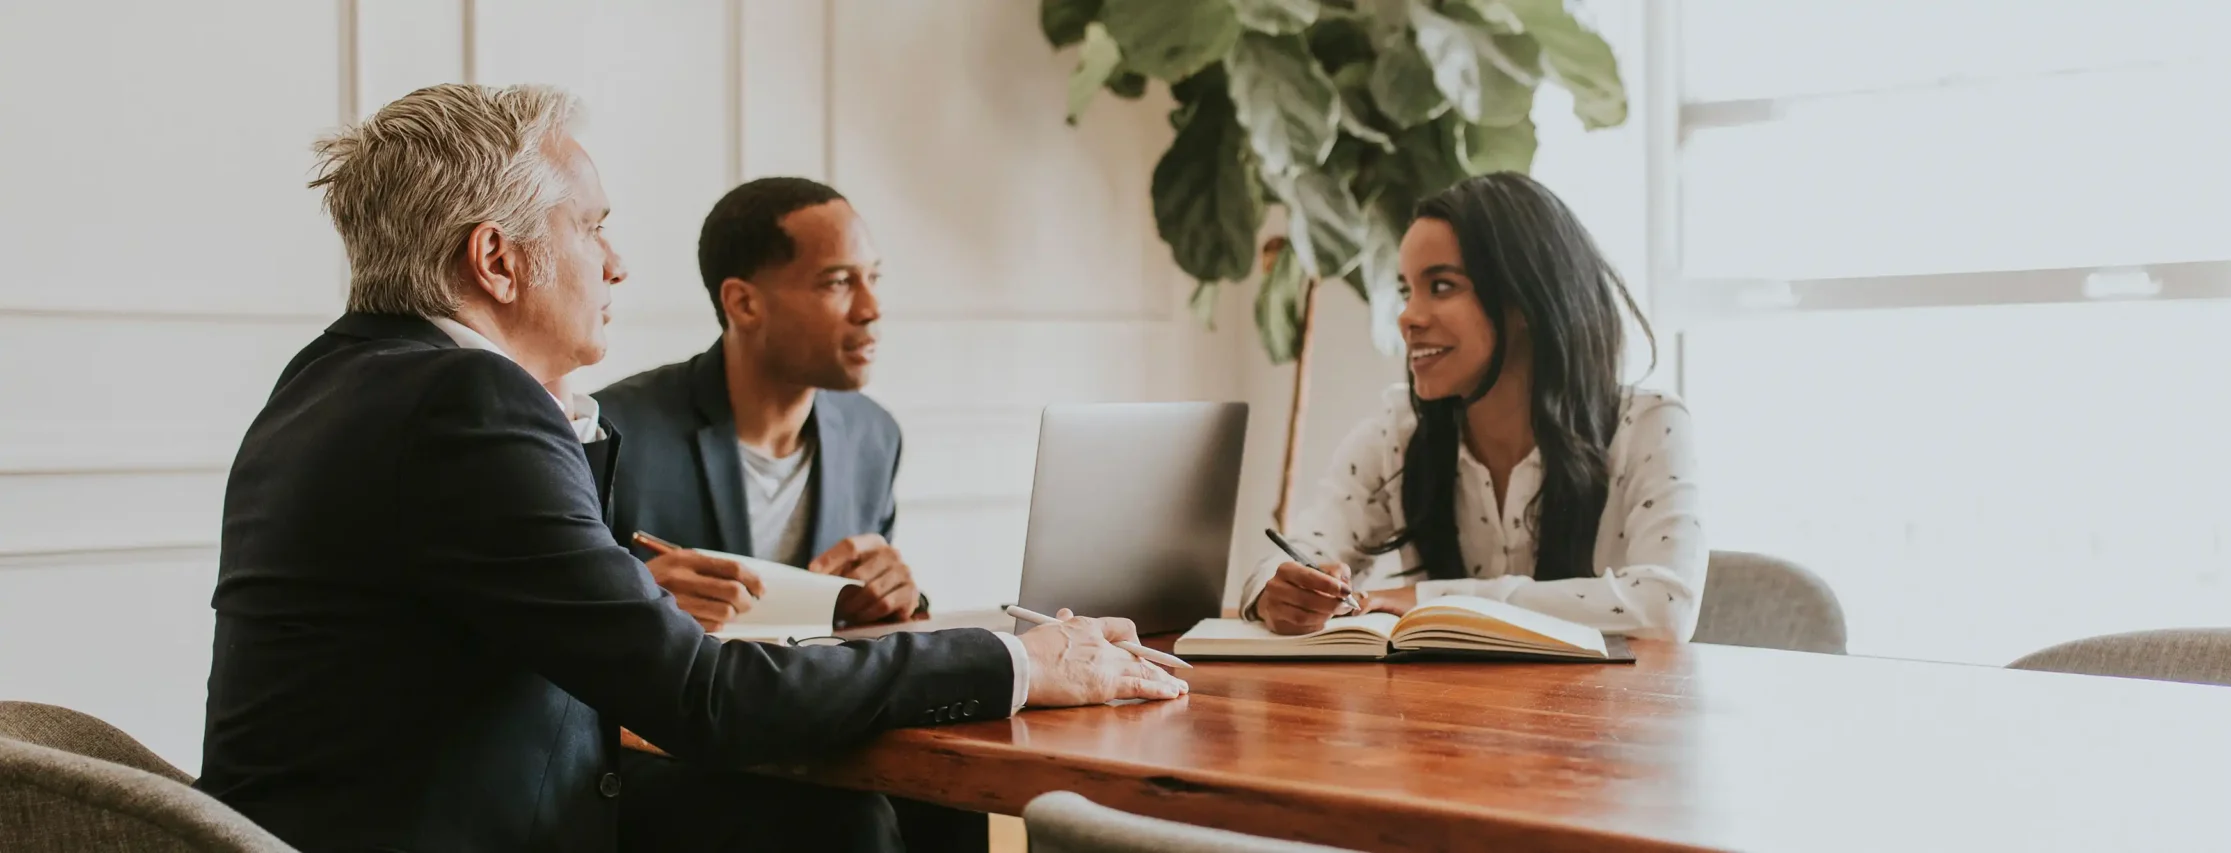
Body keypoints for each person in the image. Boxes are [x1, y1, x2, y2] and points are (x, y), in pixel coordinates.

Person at [196, 83, 1186, 853]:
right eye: (592, 227)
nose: (618, 263)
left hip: (338, 825)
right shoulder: (467, 405)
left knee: (822, 821)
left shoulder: (331, 379)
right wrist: (1024, 659)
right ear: (497, 261)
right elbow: (708, 702)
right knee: (821, 823)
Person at [1240, 172, 1707, 642]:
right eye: (1406, 291)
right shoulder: (1398, 431)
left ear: (1525, 299)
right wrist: (1275, 590)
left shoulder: (1646, 424)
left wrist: (1436, 602)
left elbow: (1665, 607)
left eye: (1441, 286)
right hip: (1440, 712)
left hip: (1603, 714)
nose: (1407, 317)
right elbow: (1303, 547)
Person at [595, 178, 921, 634]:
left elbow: (858, 630)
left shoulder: (876, 436)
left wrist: (897, 598)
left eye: (873, 278)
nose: (871, 308)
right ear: (744, 303)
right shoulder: (611, 432)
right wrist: (632, 604)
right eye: (840, 281)